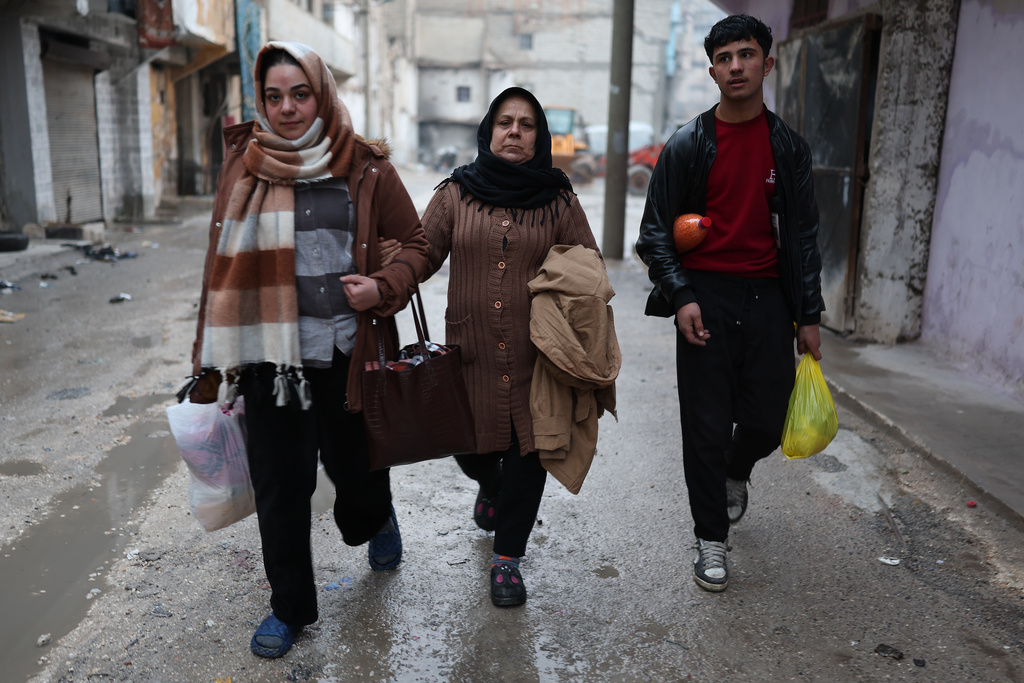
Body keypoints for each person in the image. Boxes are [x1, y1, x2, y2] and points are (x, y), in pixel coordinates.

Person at [187, 41, 428, 657]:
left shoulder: (365, 165)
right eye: (274, 96)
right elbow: (219, 265)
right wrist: (208, 357)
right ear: (261, 101)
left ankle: (376, 517)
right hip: (272, 356)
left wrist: (383, 285)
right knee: (280, 484)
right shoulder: (245, 166)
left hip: (350, 354)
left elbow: (417, 242)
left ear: (321, 93)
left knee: (358, 470)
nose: (288, 108)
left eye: (300, 93)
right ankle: (289, 606)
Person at [635, 15, 825, 593]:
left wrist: (809, 316)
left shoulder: (788, 148)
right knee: (706, 425)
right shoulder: (688, 145)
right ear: (713, 68)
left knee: (767, 420)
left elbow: (803, 238)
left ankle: (735, 472)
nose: (736, 65)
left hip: (769, 298)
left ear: (767, 64)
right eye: (725, 57)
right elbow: (654, 234)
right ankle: (710, 539)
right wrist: (682, 294)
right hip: (706, 297)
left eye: (747, 54)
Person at [418, 87, 600, 606]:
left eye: (526, 124)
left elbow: (589, 266)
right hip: (469, 355)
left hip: (537, 360)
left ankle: (507, 560)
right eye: (505, 122)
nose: (514, 131)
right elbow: (421, 252)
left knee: (530, 454)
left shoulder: (558, 199)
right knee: (471, 449)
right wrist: (383, 277)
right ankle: (488, 485)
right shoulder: (455, 193)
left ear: (539, 137)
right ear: (489, 131)